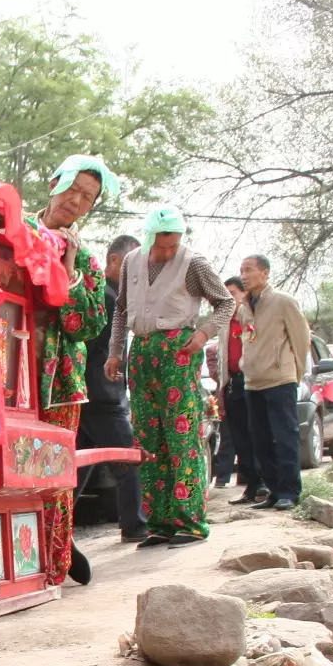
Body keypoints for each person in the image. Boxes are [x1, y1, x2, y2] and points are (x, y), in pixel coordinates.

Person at [104, 207, 234, 543]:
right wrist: (115, 352)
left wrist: (204, 333)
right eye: (161, 245)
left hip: (179, 350)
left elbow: (225, 303)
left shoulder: (194, 263)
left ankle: (189, 522)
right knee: (148, 439)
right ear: (149, 238)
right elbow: (121, 311)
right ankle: (159, 523)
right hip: (142, 351)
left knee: (181, 435)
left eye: (172, 245)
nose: (166, 252)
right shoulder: (132, 261)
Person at [30, 154, 118, 587]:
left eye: (88, 197)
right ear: (53, 183)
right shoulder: (15, 233)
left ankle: (53, 561)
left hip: (60, 380)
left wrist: (68, 269)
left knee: (55, 472)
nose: (77, 201)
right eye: (74, 190)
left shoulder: (88, 261)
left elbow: (86, 325)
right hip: (10, 371)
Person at [77, 235, 147, 542]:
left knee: (77, 468)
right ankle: (136, 525)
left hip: (94, 395)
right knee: (128, 459)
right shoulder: (105, 297)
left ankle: (56, 530)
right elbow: (91, 347)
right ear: (115, 261)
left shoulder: (114, 296)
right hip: (101, 396)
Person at [237, 254, 309, 512]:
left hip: (280, 380)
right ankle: (274, 490)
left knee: (285, 436)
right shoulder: (245, 307)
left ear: (265, 273)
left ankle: (290, 491)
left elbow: (301, 340)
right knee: (261, 439)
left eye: (249, 270)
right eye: (241, 271)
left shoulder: (283, 302)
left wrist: (294, 373)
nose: (244, 276)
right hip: (253, 382)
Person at [213, 276, 258, 499]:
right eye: (224, 295)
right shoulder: (222, 323)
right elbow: (220, 356)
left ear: (242, 295)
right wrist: (221, 387)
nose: (228, 299)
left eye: (231, 294)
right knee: (238, 437)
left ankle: (265, 485)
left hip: (252, 380)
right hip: (232, 383)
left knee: (256, 434)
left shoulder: (251, 318)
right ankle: (250, 486)